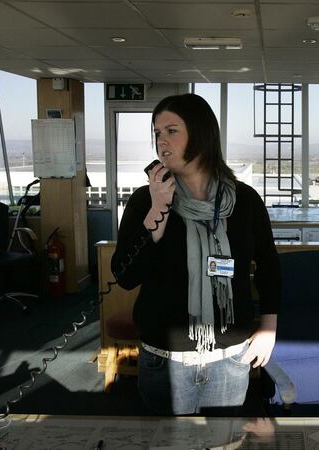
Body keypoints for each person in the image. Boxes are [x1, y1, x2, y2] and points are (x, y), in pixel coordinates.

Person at [111, 93, 280, 416]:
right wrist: (157, 212)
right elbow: (126, 276)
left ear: (201, 135)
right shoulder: (145, 201)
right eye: (157, 133)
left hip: (229, 358)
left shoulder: (244, 201)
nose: (162, 141)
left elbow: (270, 266)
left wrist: (268, 328)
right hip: (165, 359)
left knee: (224, 440)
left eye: (172, 130)